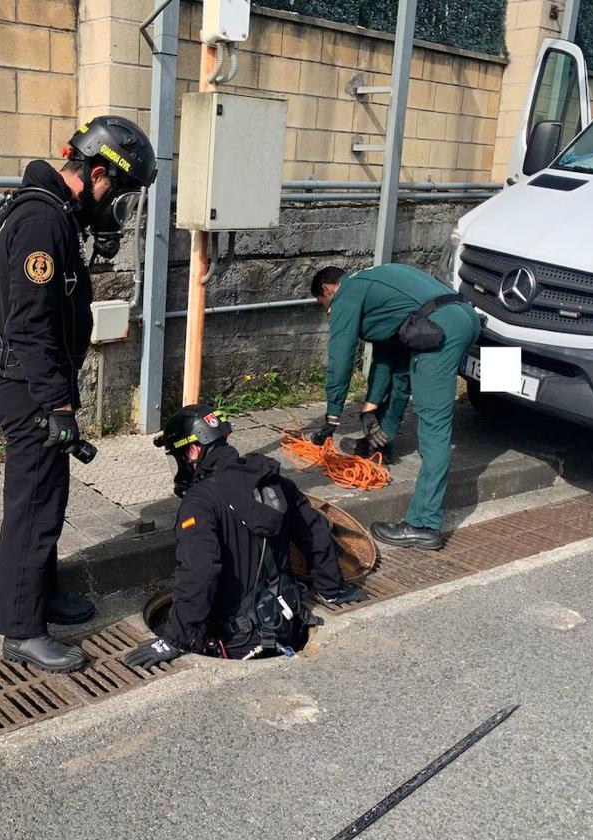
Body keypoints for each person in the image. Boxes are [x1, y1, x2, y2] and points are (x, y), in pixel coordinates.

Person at [0, 116, 155, 673]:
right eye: (121, 196)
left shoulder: (52, 213)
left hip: (35, 383)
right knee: (33, 506)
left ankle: (43, 594)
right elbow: (31, 325)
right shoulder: (40, 222)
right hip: (29, 387)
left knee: (49, 498)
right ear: (99, 173)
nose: (119, 208)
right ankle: (22, 628)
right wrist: (59, 403)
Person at [124, 405, 368, 669]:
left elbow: (200, 571)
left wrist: (175, 640)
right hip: (287, 622)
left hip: (236, 641)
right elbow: (316, 531)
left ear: (193, 451)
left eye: (179, 456)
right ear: (225, 439)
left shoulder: (200, 501)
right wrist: (332, 589)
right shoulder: (273, 480)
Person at [309, 264, 481, 551]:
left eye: (324, 305)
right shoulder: (375, 282)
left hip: (441, 330)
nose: (328, 312)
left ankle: (424, 525)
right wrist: (369, 409)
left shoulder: (347, 293)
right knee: (405, 374)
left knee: (434, 424)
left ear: (328, 289)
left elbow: (340, 356)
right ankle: (381, 446)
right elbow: (389, 358)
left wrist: (333, 415)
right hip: (463, 317)